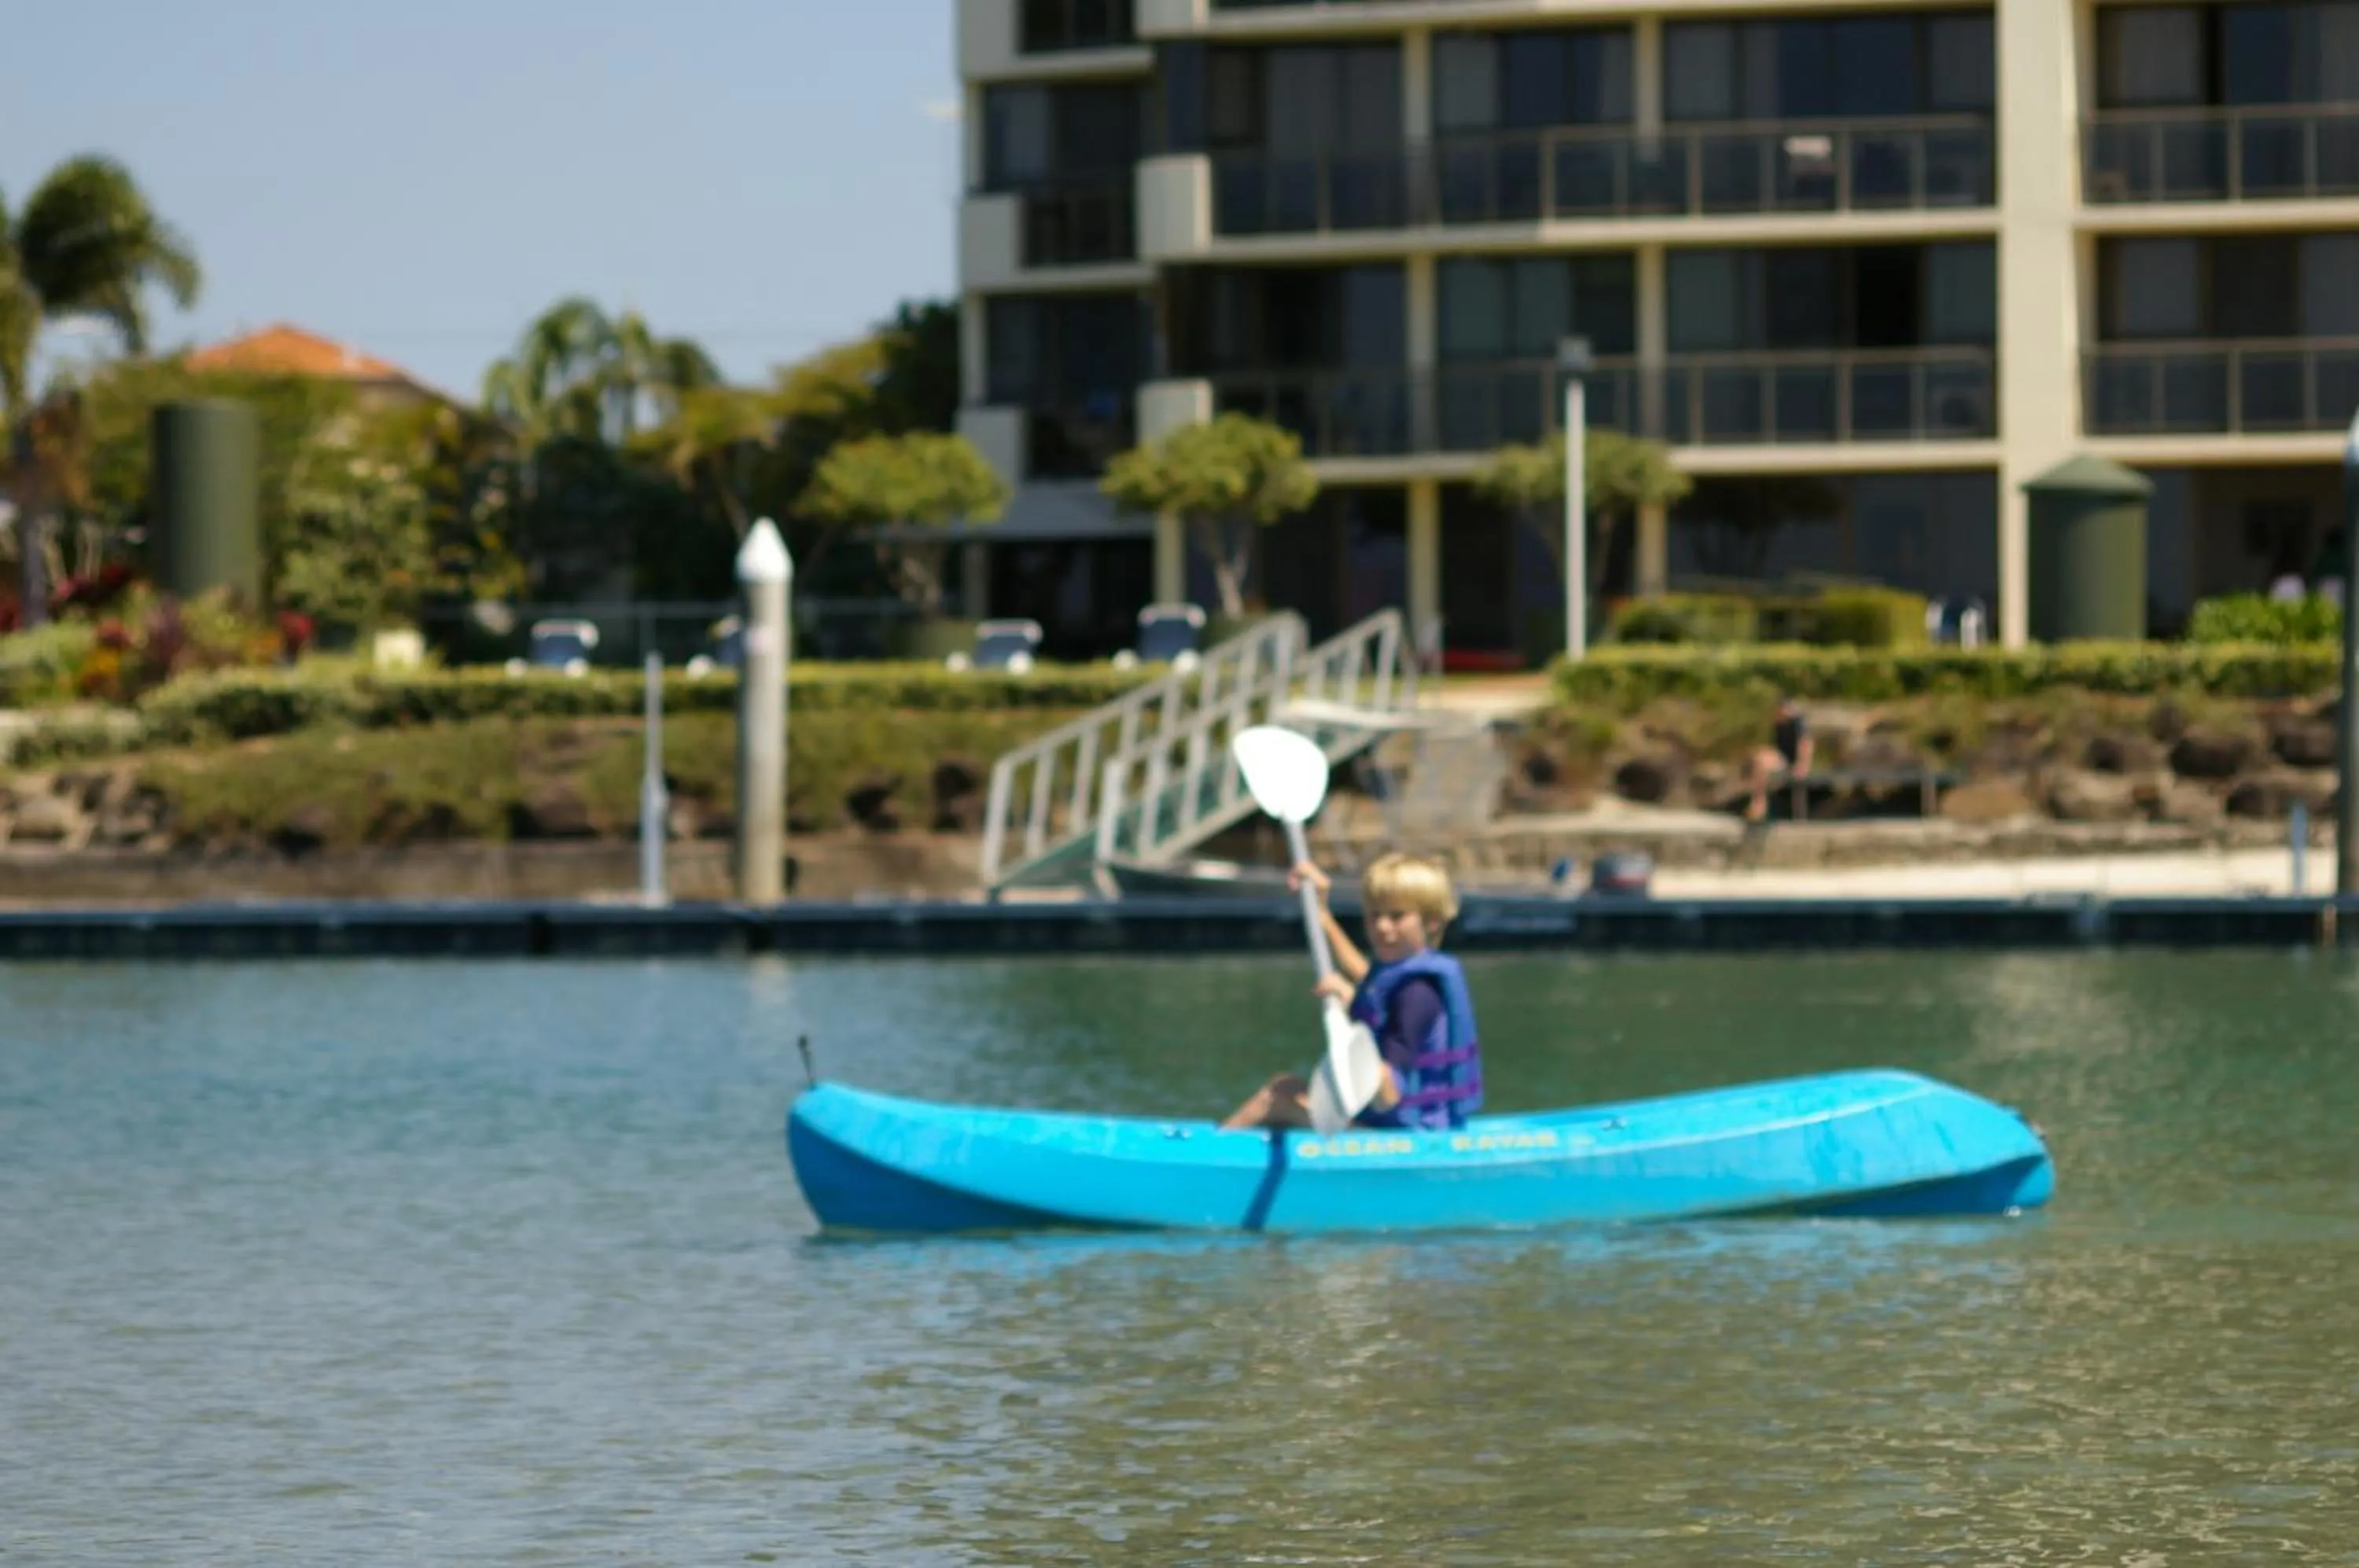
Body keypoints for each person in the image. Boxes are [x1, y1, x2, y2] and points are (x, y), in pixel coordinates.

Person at [1220, 852, 1483, 1134]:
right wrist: (1321, 912)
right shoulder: (1400, 971)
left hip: (1404, 1135)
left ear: (1432, 922)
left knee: (1277, 1098)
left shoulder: (1417, 994)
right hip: (1402, 1123)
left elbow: (1388, 1096)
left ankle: (1210, 1155)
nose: (1382, 927)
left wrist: (1351, 1030)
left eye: (1397, 916)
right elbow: (1363, 973)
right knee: (1288, 1084)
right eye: (1374, 916)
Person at [1744, 694, 1813, 823]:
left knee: (1763, 761)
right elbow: (1776, 748)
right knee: (1759, 757)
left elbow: (1805, 744)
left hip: (1792, 763)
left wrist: (1802, 766)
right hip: (1781, 760)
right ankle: (1758, 802)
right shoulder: (1779, 724)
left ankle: (1760, 803)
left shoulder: (1797, 722)